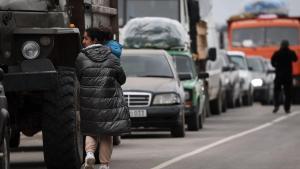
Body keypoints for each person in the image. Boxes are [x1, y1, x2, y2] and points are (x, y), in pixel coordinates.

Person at [75, 27, 131, 169]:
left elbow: (78, 77)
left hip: (89, 101)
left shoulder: (81, 57)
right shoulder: (112, 57)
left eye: (86, 38)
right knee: (107, 133)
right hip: (109, 102)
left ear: (94, 40)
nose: (83, 41)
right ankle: (104, 165)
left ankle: (89, 154)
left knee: (91, 130)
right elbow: (122, 79)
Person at [271, 40, 298, 114]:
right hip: (288, 76)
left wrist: (276, 66)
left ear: (281, 45)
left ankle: (276, 105)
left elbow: (272, 61)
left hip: (279, 75)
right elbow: (295, 59)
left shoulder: (277, 53)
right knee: (288, 93)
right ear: (288, 45)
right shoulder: (291, 53)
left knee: (276, 91)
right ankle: (287, 108)